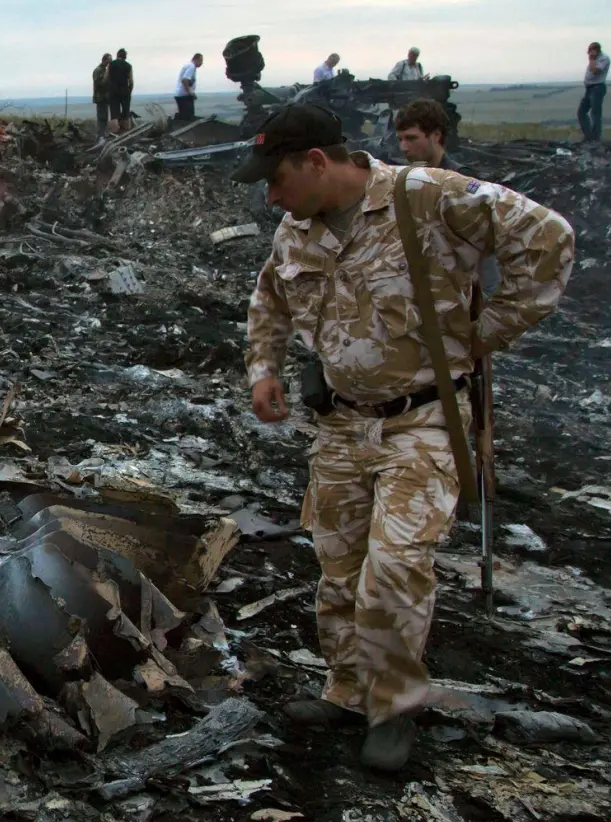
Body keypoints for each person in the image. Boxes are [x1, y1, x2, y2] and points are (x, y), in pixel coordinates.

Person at [233, 104, 574, 771]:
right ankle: (347, 691)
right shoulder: (295, 229)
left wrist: (487, 332)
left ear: (316, 162)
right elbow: (269, 298)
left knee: (392, 570)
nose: (271, 195)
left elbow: (550, 239)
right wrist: (263, 370)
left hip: (423, 420)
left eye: (277, 179)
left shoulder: (427, 197)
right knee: (339, 566)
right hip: (340, 423)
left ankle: (393, 708)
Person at [396, 99, 501, 311]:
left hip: (463, 295)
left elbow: (482, 252)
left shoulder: (463, 181)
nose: (403, 147)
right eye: (400, 139)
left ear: (436, 135)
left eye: (411, 138)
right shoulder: (407, 181)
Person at [579, 42, 611, 143]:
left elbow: (595, 71)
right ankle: (589, 136)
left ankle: (595, 138)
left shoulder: (604, 59)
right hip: (589, 89)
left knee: (595, 113)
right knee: (581, 112)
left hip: (597, 88)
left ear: (596, 50)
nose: (589, 54)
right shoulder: (594, 59)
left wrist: (592, 59)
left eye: (591, 51)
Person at [107, 49, 134, 133]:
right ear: (125, 56)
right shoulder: (128, 66)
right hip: (125, 91)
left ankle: (114, 133)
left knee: (114, 113)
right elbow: (131, 80)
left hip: (113, 91)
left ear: (117, 55)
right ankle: (126, 131)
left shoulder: (111, 64)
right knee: (126, 112)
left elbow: (106, 77)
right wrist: (129, 90)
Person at [174, 53, 203, 122]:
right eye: (201, 60)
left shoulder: (189, 66)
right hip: (185, 96)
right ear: (196, 59)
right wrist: (190, 92)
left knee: (184, 117)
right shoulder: (191, 66)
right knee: (188, 119)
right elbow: (184, 80)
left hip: (182, 95)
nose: (202, 63)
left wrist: (192, 92)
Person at [93, 53, 113, 139]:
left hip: (105, 97)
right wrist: (107, 72)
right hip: (100, 97)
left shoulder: (103, 70)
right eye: (109, 61)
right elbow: (100, 83)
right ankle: (100, 135)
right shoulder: (98, 70)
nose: (110, 63)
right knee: (101, 117)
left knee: (104, 117)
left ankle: (102, 135)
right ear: (104, 60)